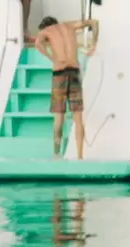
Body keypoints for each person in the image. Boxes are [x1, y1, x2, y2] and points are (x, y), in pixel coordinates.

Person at [34, 16, 99, 160]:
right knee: (78, 118)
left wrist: (52, 58)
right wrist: (94, 44)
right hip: (74, 73)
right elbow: (94, 22)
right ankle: (80, 157)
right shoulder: (69, 25)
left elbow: (38, 44)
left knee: (58, 119)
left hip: (59, 75)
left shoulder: (45, 31)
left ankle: (56, 155)